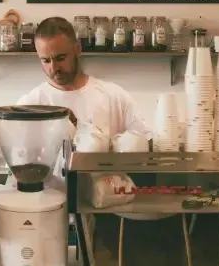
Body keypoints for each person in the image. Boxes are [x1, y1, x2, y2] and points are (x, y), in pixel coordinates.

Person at [15, 17, 152, 192]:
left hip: (107, 208)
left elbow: (146, 143)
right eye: (46, 60)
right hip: (51, 206)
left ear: (77, 50)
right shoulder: (30, 104)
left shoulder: (114, 97)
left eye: (61, 58)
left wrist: (108, 146)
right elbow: (21, 163)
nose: (54, 67)